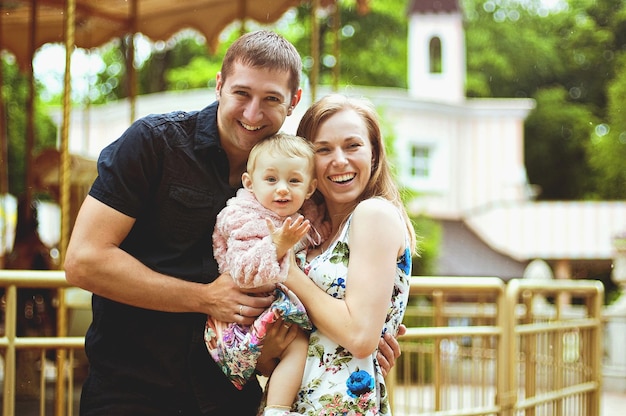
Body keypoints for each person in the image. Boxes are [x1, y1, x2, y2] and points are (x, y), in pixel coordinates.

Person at [64, 30, 404, 416]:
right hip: (136, 390)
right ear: (219, 85)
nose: (253, 113)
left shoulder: (287, 171)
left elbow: (332, 275)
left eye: (271, 99)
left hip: (229, 396)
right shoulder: (154, 144)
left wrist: (370, 336)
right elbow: (83, 260)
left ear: (293, 102)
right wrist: (205, 297)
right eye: (242, 93)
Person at [264, 93, 417, 415]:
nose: (339, 160)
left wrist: (289, 272)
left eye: (352, 146)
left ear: (374, 154)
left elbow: (359, 337)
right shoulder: (309, 231)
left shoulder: (373, 214)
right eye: (323, 149)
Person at [205, 132, 322, 415]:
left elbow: (318, 235)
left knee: (304, 345)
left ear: (309, 188)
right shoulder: (242, 216)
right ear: (250, 183)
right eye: (271, 180)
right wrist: (276, 245)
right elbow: (242, 272)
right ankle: (277, 410)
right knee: (299, 346)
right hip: (240, 322)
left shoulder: (298, 215)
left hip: (272, 313)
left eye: (294, 181)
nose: (282, 189)